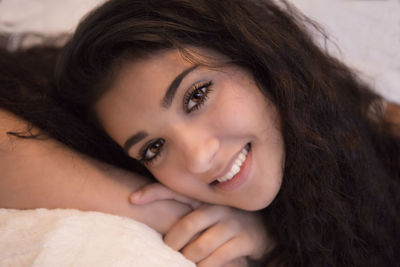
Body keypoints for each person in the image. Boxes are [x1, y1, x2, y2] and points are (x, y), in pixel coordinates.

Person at [2, 0, 400, 266]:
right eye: (154, 148)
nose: (197, 158)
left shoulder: (382, 131)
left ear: (260, 59)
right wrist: (180, 215)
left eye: (196, 96)